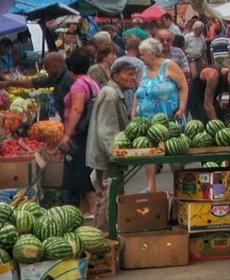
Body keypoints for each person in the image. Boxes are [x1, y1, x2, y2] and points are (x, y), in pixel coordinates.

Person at [86, 57, 139, 234]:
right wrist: (116, 156)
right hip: (107, 157)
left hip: (105, 155)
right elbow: (107, 131)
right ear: (115, 76)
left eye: (134, 74)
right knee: (109, 197)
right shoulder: (110, 95)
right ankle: (104, 237)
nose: (132, 78)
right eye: (128, 74)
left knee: (105, 196)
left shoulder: (115, 93)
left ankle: (100, 237)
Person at [132, 38, 187, 192]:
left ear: (152, 53)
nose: (141, 57)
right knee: (148, 152)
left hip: (168, 118)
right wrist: (133, 110)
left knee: (172, 152)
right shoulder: (144, 69)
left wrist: (182, 108)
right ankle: (151, 186)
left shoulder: (168, 65)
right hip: (147, 119)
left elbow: (183, 86)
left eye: (143, 54)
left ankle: (179, 186)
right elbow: (139, 91)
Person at [59, 52, 101, 215]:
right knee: (86, 175)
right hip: (90, 133)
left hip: (79, 135)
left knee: (82, 178)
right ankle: (86, 213)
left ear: (71, 69)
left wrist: (67, 134)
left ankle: (93, 213)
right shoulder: (92, 82)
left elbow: (77, 109)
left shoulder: (78, 85)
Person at [2, 52, 72, 120]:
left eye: (47, 67)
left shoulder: (68, 79)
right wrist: (9, 83)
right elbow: (34, 83)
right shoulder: (55, 77)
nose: (46, 70)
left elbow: (77, 107)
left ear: (55, 66)